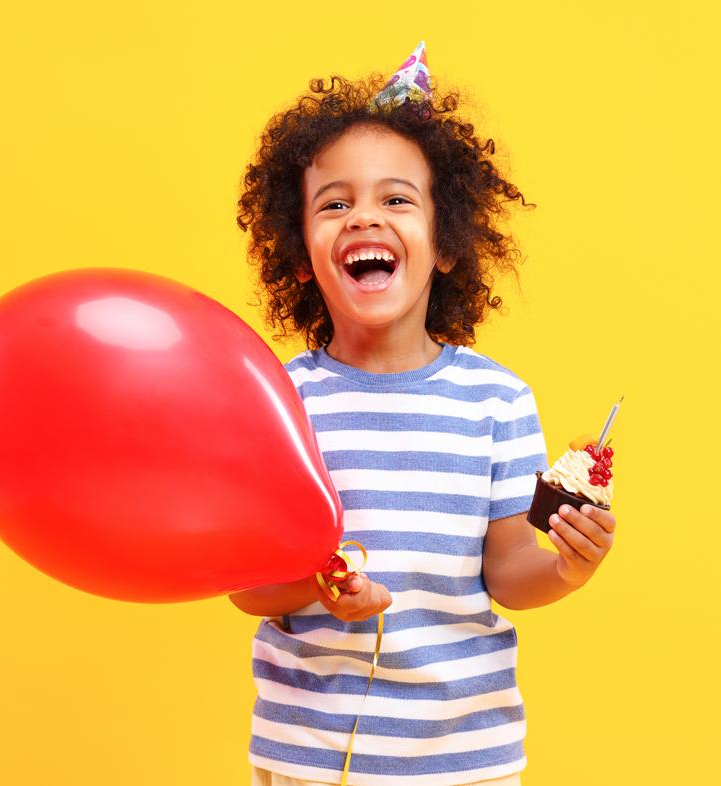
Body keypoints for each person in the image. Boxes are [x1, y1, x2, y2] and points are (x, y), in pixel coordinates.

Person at [230, 43, 616, 786]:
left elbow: (508, 574)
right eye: (334, 202)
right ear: (302, 251)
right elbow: (248, 584)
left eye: (396, 199)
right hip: (307, 758)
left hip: (463, 761)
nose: (362, 217)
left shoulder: (498, 401)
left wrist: (569, 567)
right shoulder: (278, 398)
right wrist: (322, 584)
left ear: (446, 244)